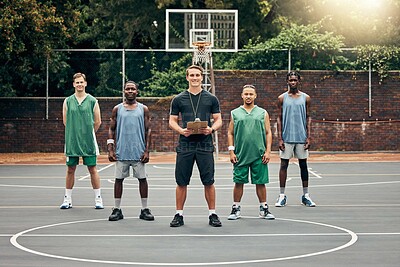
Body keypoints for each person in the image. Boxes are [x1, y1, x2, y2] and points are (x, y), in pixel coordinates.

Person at [168, 65, 223, 227]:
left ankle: (212, 213)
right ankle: (179, 214)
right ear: (187, 77)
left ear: (202, 77)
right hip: (185, 144)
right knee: (181, 181)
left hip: (205, 144)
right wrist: (181, 130)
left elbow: (219, 119)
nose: (194, 78)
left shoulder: (211, 98)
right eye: (191, 75)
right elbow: (172, 121)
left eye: (197, 75)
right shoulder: (178, 99)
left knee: (209, 181)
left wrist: (211, 129)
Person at [107, 81, 154, 221]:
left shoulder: (143, 109)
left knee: (142, 180)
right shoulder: (117, 109)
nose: (130, 91)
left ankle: (145, 209)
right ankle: (117, 209)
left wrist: (147, 151)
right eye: (128, 89)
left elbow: (148, 130)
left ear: (137, 91)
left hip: (138, 152)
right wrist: (110, 149)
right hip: (121, 152)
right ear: (124, 91)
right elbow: (111, 129)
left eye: (133, 89)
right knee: (118, 180)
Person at [227, 84, 275, 220]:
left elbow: (268, 132)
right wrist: (231, 151)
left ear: (255, 96)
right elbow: (230, 133)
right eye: (246, 94)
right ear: (242, 95)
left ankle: (264, 208)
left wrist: (268, 151)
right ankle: (235, 208)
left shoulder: (262, 112)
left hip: (259, 154)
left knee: (260, 182)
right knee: (238, 181)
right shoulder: (235, 113)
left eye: (251, 94)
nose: (248, 96)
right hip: (241, 154)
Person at [60, 72, 103, 209]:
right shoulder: (67, 101)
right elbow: (65, 121)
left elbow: (97, 122)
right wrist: (75, 132)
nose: (79, 84)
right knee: (70, 169)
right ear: (74, 84)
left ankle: (98, 198)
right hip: (72, 140)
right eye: (77, 82)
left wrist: (86, 133)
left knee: (92, 168)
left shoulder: (92, 101)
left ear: (85, 83)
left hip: (88, 141)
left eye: (81, 82)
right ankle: (67, 199)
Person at [276, 71, 316, 207]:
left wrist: (309, 136)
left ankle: (306, 195)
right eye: (290, 80)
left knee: (303, 165)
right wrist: (280, 138)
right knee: (283, 165)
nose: (293, 82)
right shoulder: (282, 98)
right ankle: (282, 196)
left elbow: (308, 117)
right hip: (287, 137)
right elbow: (279, 118)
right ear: (287, 81)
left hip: (301, 137)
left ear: (299, 81)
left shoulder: (306, 98)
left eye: (295, 80)